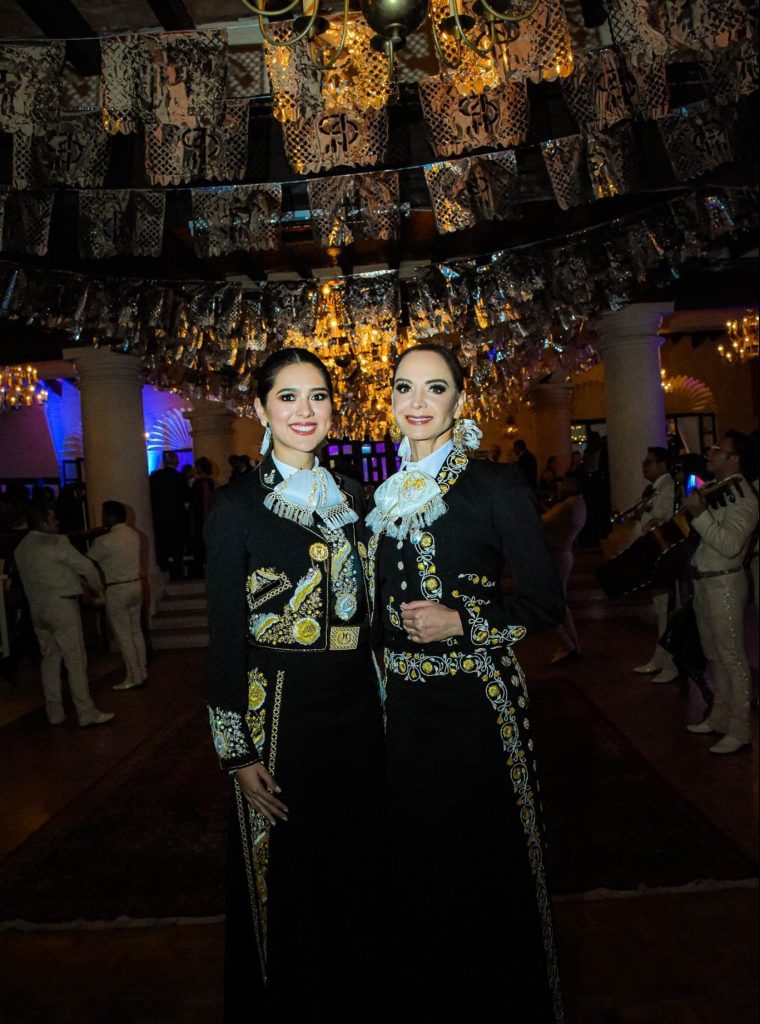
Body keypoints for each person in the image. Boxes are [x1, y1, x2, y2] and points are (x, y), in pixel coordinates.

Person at [366, 344, 565, 1022]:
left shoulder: (496, 485)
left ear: (460, 399)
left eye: (436, 387)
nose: (418, 402)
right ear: (389, 397)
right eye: (404, 386)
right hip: (405, 711)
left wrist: (462, 621)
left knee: (486, 860)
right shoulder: (382, 495)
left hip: (479, 705)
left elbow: (544, 605)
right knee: (418, 863)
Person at [204, 348, 385, 1022]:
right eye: (288, 398)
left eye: (318, 397)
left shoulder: (359, 498)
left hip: (362, 715)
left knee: (357, 870)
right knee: (288, 878)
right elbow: (223, 638)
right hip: (279, 719)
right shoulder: (236, 508)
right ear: (260, 409)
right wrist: (236, 753)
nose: (305, 412)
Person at [685, 431, 758, 754]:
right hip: (705, 581)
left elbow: (730, 546)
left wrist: (699, 514)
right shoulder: (720, 489)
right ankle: (719, 716)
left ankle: (740, 729)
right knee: (714, 654)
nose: (710, 452)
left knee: (732, 656)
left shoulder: (744, 495)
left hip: (724, 583)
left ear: (734, 459)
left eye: (719, 449)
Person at [13, 504, 114, 727]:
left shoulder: (21, 548)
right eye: (53, 519)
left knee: (49, 659)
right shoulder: (57, 542)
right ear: (43, 523)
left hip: (37, 609)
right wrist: (98, 588)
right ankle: (85, 711)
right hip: (62, 606)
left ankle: (54, 711)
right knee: (75, 660)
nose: (57, 522)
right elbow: (86, 567)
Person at [89, 501, 148, 692]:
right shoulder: (134, 535)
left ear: (112, 517)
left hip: (117, 589)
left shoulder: (104, 541)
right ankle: (142, 669)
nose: (102, 518)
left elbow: (88, 562)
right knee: (136, 630)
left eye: (104, 514)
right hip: (135, 585)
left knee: (124, 635)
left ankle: (133, 675)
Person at [632, 447, 679, 684]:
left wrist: (646, 519)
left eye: (649, 462)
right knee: (661, 612)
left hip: (662, 558)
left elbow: (665, 522)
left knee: (666, 613)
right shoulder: (656, 489)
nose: (644, 465)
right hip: (653, 557)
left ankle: (670, 664)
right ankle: (660, 659)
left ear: (662, 465)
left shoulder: (668, 489)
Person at [542, 471, 586, 664]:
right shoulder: (578, 503)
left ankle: (567, 645)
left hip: (557, 555)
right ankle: (573, 645)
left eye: (565, 483)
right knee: (560, 602)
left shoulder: (569, 504)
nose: (561, 486)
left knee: (548, 603)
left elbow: (542, 521)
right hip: (564, 553)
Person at [149, 451, 187, 579]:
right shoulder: (180, 478)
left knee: (161, 544)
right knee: (177, 545)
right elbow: (185, 498)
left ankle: (163, 568)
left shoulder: (155, 477)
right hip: (177, 517)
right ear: (176, 462)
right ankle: (177, 572)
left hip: (159, 516)